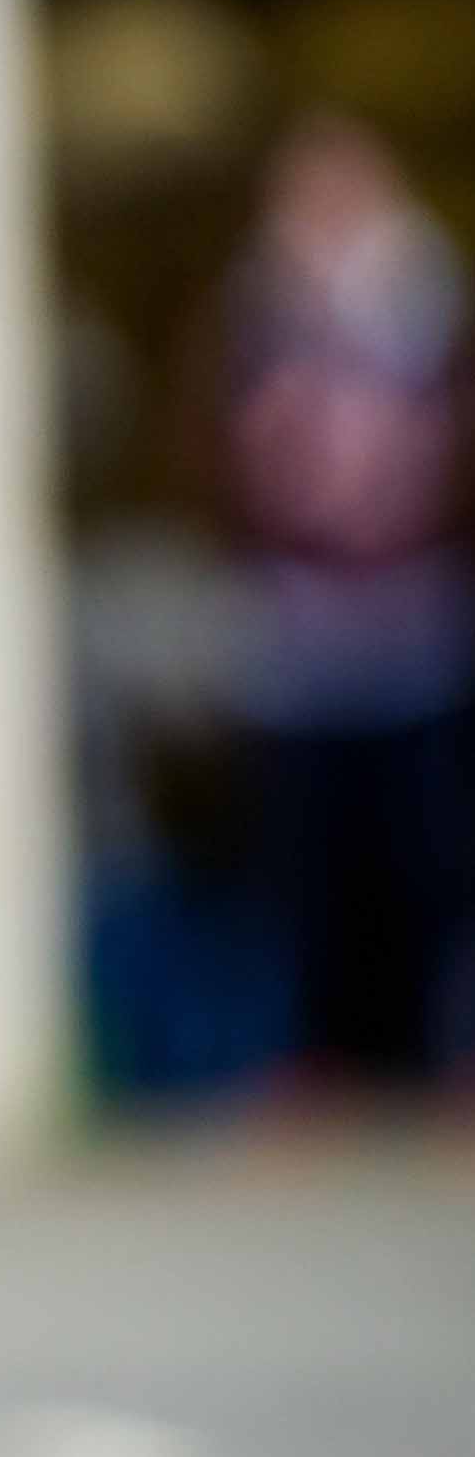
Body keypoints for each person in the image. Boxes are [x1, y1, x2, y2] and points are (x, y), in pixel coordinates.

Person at [217, 113, 475, 1087]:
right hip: (300, 640)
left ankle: (441, 1050)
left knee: (432, 857)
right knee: (309, 865)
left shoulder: (433, 308)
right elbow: (228, 464)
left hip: (417, 633)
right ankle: (320, 1053)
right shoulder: (256, 314)